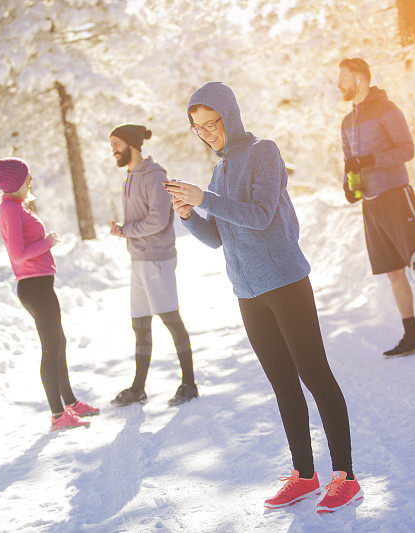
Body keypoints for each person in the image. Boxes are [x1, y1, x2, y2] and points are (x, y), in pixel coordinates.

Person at [165, 82, 362, 513]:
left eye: (212, 123)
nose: (207, 132)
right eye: (198, 128)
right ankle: (305, 474)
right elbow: (219, 237)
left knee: (315, 376)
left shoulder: (263, 153)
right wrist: (188, 214)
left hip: (285, 282)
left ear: (230, 115)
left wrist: (206, 198)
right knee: (282, 384)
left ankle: (345, 476)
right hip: (247, 292)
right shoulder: (218, 172)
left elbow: (260, 215)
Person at [337, 57, 415, 357]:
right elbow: (349, 161)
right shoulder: (347, 121)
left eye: (344, 78)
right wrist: (349, 186)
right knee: (393, 272)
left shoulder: (386, 110)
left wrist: (370, 160)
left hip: (396, 196)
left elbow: (406, 150)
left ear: (360, 79)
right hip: (372, 204)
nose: (339, 85)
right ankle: (411, 335)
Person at [0, 158, 100, 432]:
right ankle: (58, 415)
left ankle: (69, 402)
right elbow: (17, 254)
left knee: (58, 342)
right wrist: (48, 242)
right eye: (26, 176)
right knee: (50, 348)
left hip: (41, 285)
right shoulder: (10, 208)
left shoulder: (16, 207)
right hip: (33, 287)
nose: (30, 180)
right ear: (15, 183)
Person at [108, 124, 198, 407]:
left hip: (157, 258)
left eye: (117, 144)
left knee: (171, 319)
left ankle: (189, 384)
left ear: (132, 145)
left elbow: (158, 220)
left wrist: (126, 230)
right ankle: (138, 388)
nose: (113, 150)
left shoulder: (155, 176)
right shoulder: (131, 176)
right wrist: (126, 232)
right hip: (138, 258)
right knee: (140, 324)